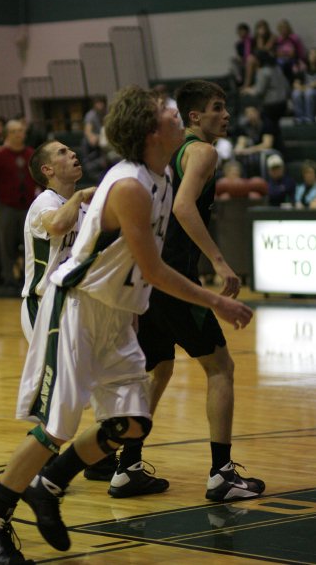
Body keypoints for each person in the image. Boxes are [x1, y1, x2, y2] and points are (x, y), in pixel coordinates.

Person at [0, 85, 253, 565]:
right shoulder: (132, 187)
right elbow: (155, 270)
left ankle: (49, 485)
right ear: (151, 130)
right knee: (56, 428)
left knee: (131, 422)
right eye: (169, 114)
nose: (179, 118)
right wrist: (215, 302)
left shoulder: (158, 178)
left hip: (118, 312)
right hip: (77, 309)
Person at [111, 80, 265, 503]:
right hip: (176, 280)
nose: (226, 114)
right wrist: (218, 261)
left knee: (159, 368)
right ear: (195, 117)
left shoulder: (167, 158)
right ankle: (222, 474)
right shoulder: (202, 151)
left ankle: (127, 467)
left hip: (150, 283)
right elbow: (182, 207)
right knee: (221, 368)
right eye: (218, 107)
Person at [21, 139, 95, 344]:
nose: (73, 154)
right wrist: (80, 195)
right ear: (48, 169)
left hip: (78, 303)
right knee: (52, 375)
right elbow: (57, 225)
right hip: (44, 304)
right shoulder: (45, 201)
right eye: (63, 152)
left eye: (71, 149)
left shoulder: (86, 207)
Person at [0, 119, 36, 289]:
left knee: (30, 244)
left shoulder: (31, 154)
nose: (18, 134)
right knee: (6, 244)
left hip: (28, 207)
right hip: (7, 207)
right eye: (14, 131)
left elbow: (40, 178)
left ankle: (28, 277)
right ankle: (9, 279)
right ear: (7, 134)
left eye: (21, 130)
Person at [81, 95, 108, 183]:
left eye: (101, 103)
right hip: (94, 149)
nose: (100, 106)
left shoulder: (107, 113)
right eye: (97, 103)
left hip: (104, 144)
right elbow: (89, 134)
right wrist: (97, 137)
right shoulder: (91, 115)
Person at [292, 48, 316, 124]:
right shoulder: (304, 70)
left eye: (314, 54)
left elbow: (314, 84)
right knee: (296, 93)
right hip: (305, 90)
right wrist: (300, 87)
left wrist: (305, 88)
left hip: (312, 91)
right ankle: (299, 118)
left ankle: (309, 118)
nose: (313, 56)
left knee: (309, 93)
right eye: (311, 54)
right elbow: (295, 83)